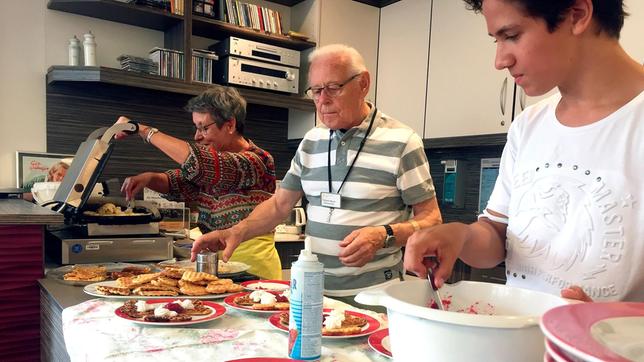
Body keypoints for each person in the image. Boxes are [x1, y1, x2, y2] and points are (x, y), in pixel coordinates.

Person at [404, 0, 644, 302]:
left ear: (577, 14)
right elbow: (497, 236)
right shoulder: (528, 124)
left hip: (609, 350)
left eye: (512, 36)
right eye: (496, 40)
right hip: (519, 343)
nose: (500, 60)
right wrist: (460, 235)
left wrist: (609, 324)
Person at [192, 44, 442, 302]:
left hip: (375, 299)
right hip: (314, 297)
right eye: (316, 91)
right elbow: (279, 205)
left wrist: (385, 235)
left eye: (333, 88)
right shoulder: (311, 141)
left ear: (363, 83)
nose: (322, 101)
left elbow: (432, 220)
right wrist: (236, 231)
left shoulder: (402, 141)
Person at [114, 85, 282, 280]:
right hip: (217, 262)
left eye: (204, 127)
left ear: (230, 124)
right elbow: (178, 182)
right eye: (196, 127)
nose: (197, 136)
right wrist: (150, 178)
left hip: (253, 266)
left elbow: (202, 164)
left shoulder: (257, 159)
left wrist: (143, 130)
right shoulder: (215, 160)